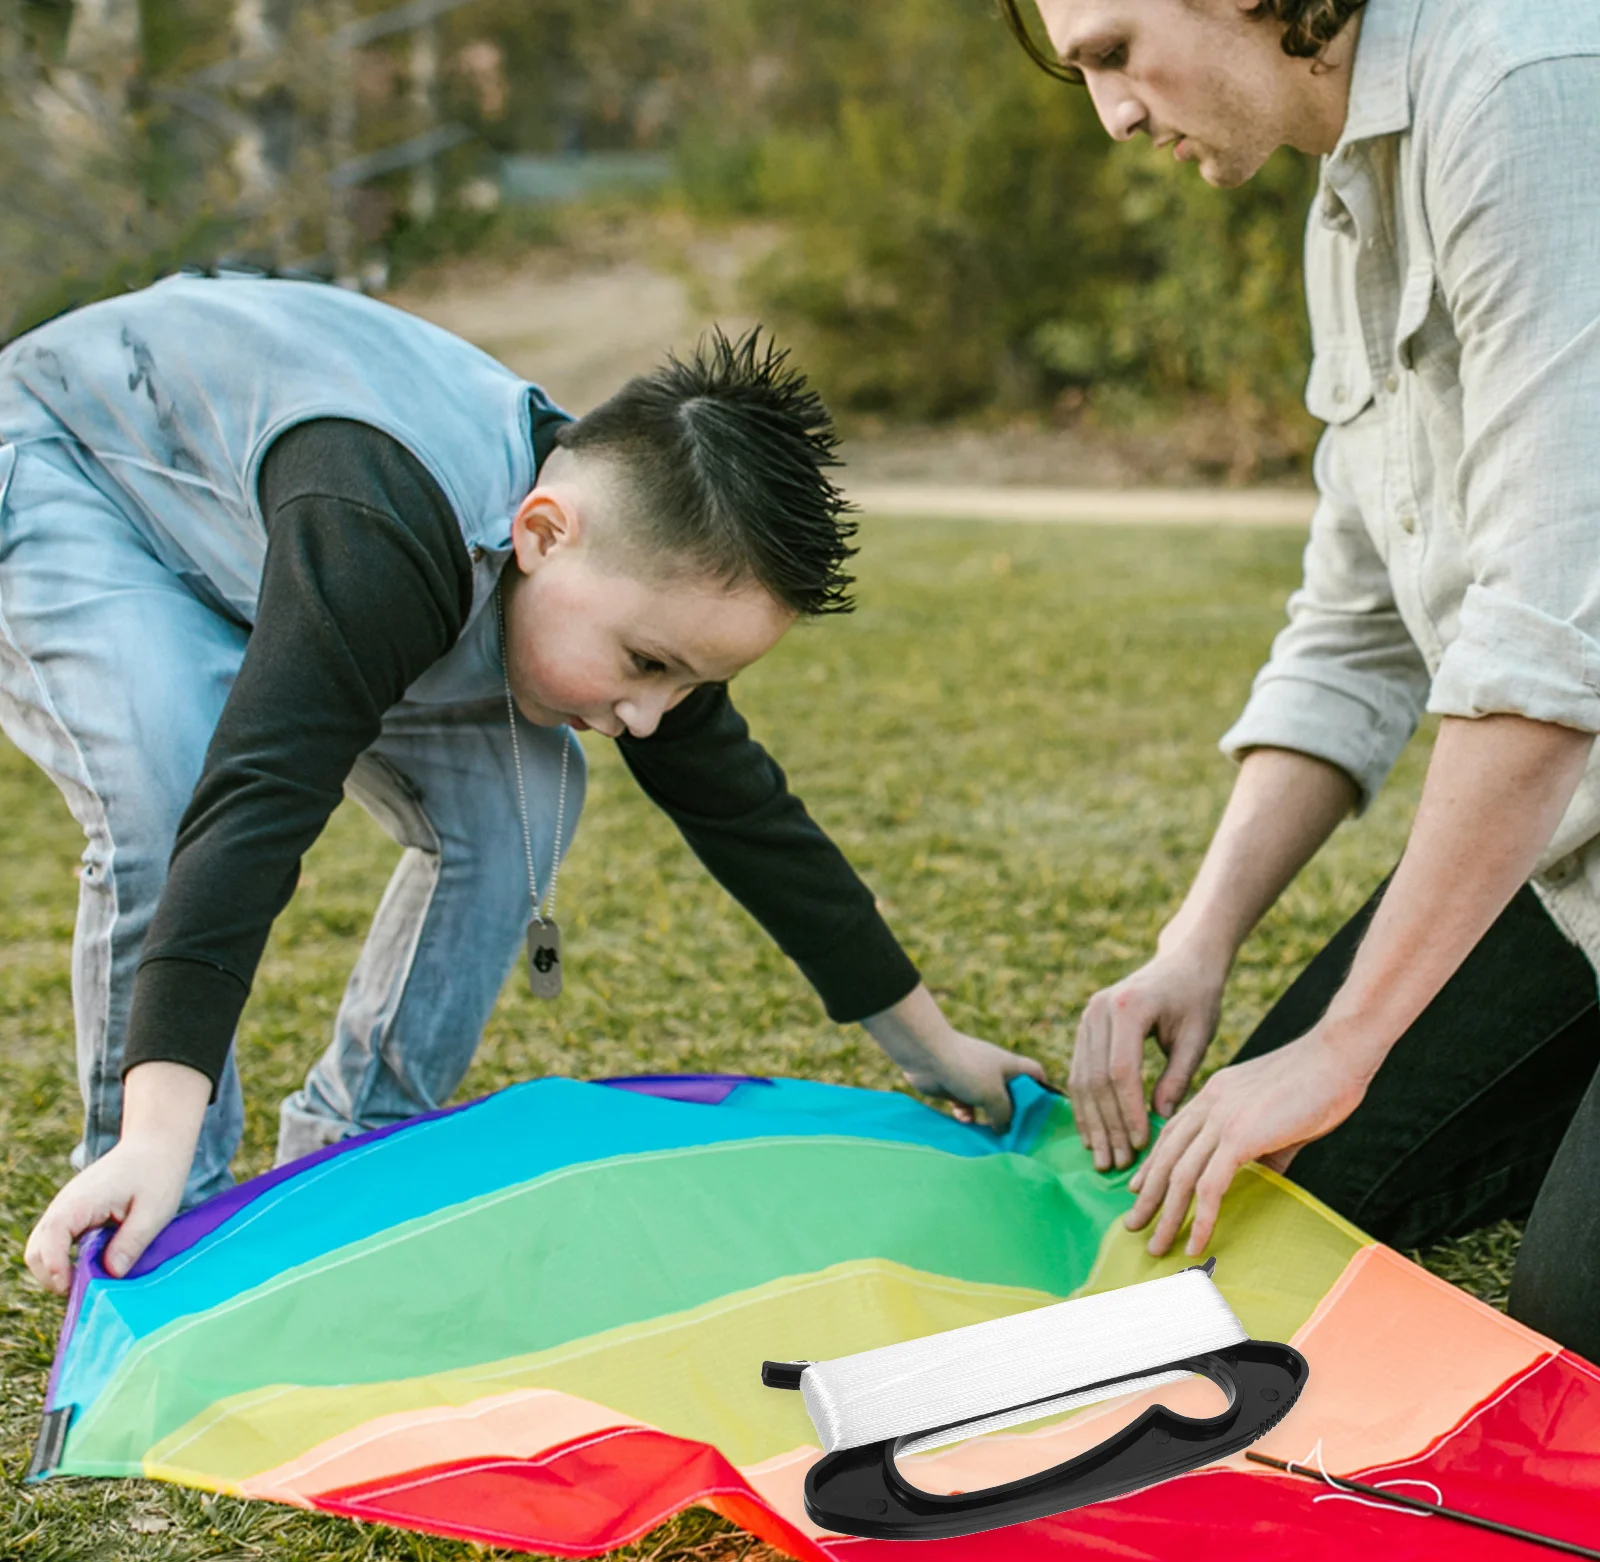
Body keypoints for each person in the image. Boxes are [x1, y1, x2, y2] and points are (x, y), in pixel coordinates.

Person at [7, 269, 1043, 1295]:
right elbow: (258, 798)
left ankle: (351, 1159)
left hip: (278, 534)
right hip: (78, 465)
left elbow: (745, 812)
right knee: (168, 784)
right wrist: (156, 1130)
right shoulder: (383, 535)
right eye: (646, 664)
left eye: (691, 681)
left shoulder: (627, 580)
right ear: (543, 532)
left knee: (527, 787)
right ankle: (152, 1215)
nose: (648, 715)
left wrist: (933, 1047)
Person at [1001, 0, 1600, 1358]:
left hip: (1572, 753)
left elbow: (1549, 644)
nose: (1113, 115)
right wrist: (1195, 943)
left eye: (1110, 52)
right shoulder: (1348, 187)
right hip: (1576, 860)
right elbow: (1352, 625)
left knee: (1575, 1309)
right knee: (1259, 1194)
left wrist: (1350, 1041)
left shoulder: (1530, 85)